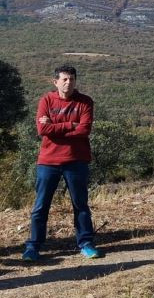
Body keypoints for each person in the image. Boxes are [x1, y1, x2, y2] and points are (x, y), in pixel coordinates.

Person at [23, 65, 100, 261]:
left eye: (72, 79)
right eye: (64, 79)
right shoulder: (47, 100)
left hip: (76, 161)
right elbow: (42, 130)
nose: (68, 82)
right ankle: (33, 246)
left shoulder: (85, 102)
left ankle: (86, 243)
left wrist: (54, 127)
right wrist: (69, 125)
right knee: (41, 205)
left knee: (80, 204)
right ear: (55, 81)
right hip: (48, 161)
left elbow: (84, 130)